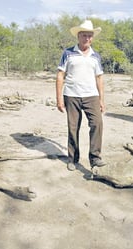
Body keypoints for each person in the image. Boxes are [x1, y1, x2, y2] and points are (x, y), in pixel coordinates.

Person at [56, 20, 107, 171]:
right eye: (84, 35)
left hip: (91, 95)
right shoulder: (68, 53)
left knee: (97, 124)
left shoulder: (95, 56)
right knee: (73, 128)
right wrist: (59, 98)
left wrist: (101, 99)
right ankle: (72, 158)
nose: (87, 39)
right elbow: (60, 75)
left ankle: (95, 158)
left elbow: (99, 78)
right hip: (71, 95)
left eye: (90, 36)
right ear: (78, 36)